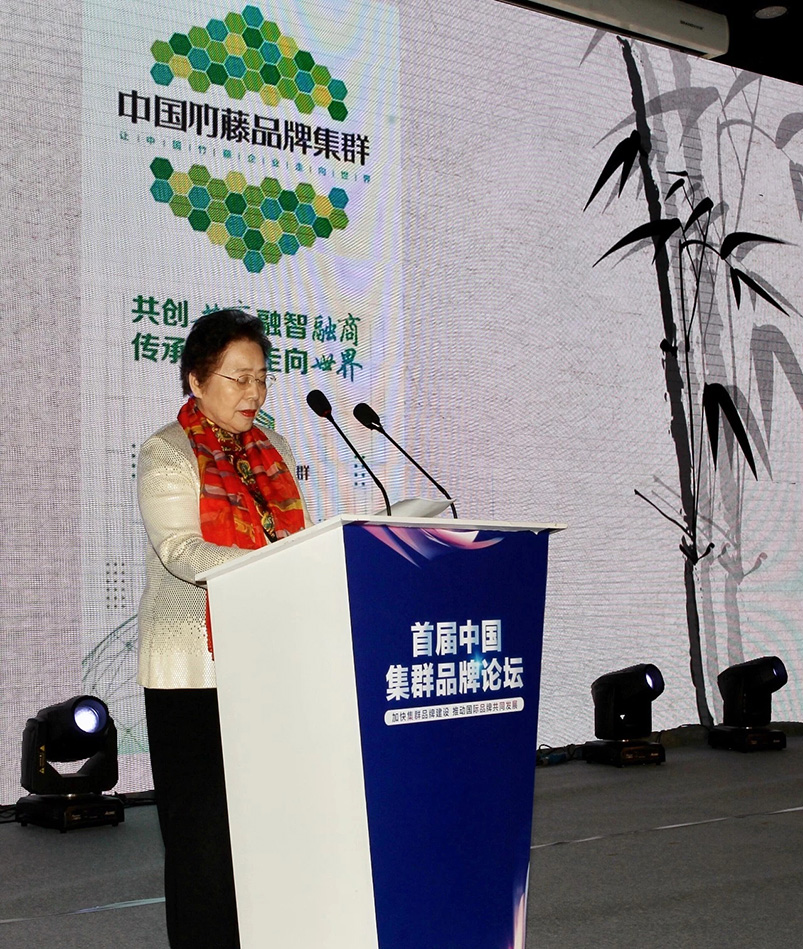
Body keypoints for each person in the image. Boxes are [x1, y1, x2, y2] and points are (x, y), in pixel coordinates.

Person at [136, 308, 311, 949]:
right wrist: (271, 564)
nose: (254, 392)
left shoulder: (275, 450)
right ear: (196, 380)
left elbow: (291, 536)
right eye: (238, 378)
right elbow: (180, 551)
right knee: (202, 839)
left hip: (263, 662)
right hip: (192, 671)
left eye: (261, 378)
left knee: (263, 830)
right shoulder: (167, 451)